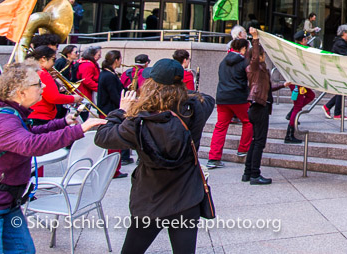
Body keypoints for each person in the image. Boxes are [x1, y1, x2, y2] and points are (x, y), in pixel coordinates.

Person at [95, 59, 215, 254]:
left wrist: (121, 111)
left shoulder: (137, 121)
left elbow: (102, 137)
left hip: (150, 198)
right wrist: (180, 92)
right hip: (186, 197)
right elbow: (207, 97)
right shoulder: (195, 109)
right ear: (180, 85)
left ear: (150, 86)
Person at [0, 61, 105, 254]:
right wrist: (79, 129)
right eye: (38, 84)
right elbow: (30, 144)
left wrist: (61, 123)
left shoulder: (11, 114)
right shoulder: (3, 121)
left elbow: (29, 134)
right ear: (21, 92)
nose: (43, 87)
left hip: (7, 203)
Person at [243, 37, 288, 184]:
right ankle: (255, 174)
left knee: (255, 141)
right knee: (259, 143)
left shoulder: (261, 71)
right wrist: (255, 39)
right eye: (263, 55)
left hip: (259, 106)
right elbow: (255, 57)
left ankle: (248, 172)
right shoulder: (254, 68)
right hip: (259, 107)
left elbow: (267, 89)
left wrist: (283, 85)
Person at [207, 38, 253, 168]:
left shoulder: (223, 62)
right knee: (248, 121)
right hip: (238, 98)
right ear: (244, 48)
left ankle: (214, 158)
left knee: (220, 126)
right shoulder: (244, 63)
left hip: (222, 97)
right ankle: (243, 149)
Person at [26, 46, 82, 127]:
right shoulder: (43, 73)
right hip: (41, 115)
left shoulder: (32, 71)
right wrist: (73, 98)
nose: (54, 63)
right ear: (43, 59)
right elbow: (53, 98)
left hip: (33, 114)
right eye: (53, 59)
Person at [97, 50, 129, 178]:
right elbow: (114, 96)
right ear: (116, 60)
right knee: (114, 143)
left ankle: (113, 169)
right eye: (120, 59)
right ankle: (113, 170)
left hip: (108, 110)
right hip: (110, 110)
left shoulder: (108, 73)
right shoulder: (109, 76)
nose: (121, 62)